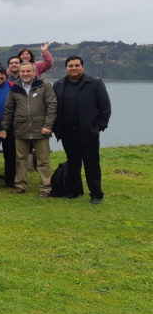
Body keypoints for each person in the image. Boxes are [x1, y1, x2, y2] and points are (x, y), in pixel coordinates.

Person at [53, 56, 111, 204]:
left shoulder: (95, 83)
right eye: (70, 66)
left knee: (91, 164)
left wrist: (98, 127)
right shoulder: (58, 85)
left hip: (88, 132)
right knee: (73, 163)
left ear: (82, 67)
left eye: (77, 65)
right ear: (66, 68)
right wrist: (55, 128)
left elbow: (105, 108)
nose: (74, 68)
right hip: (67, 132)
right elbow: (53, 108)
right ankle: (74, 191)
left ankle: (96, 194)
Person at [0, 62, 57, 197]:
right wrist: (4, 128)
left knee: (43, 161)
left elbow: (52, 106)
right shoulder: (14, 89)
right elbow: (8, 110)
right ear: (19, 73)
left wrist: (48, 126)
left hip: (41, 129)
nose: (25, 74)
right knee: (20, 160)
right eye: (23, 72)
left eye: (28, 71)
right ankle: (20, 185)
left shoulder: (44, 86)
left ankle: (46, 188)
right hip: (21, 129)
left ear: (34, 72)